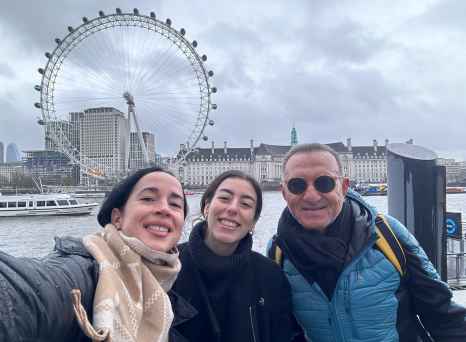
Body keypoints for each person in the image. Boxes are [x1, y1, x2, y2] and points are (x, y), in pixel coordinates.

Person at [269, 143, 466, 342]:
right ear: (284, 193)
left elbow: (444, 316)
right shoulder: (278, 251)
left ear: (344, 187)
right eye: (297, 185)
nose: (311, 196)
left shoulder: (388, 235)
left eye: (324, 183)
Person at [0, 166, 197, 342]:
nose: (164, 209)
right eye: (148, 198)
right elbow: (28, 295)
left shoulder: (167, 294)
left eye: (175, 204)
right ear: (117, 218)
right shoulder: (85, 273)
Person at [172, 170, 295, 342]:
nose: (232, 208)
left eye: (245, 204)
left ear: (253, 222)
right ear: (206, 207)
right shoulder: (168, 268)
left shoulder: (270, 276)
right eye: (224, 198)